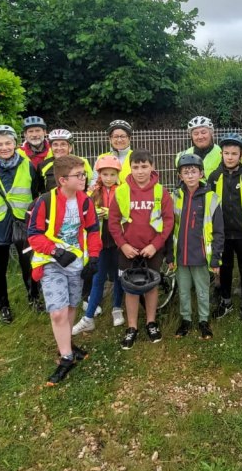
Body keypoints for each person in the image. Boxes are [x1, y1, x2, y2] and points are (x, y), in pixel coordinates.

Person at [27, 155, 102, 386]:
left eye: (84, 174)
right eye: (78, 175)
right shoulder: (45, 202)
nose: (84, 178)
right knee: (57, 313)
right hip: (52, 263)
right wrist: (56, 252)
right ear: (62, 180)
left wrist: (94, 258)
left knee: (70, 307)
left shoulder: (85, 202)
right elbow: (34, 235)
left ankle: (67, 345)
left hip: (76, 263)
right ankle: (66, 357)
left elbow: (93, 230)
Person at [108, 149, 175, 349]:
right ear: (130, 168)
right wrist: (123, 245)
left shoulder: (161, 192)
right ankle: (132, 327)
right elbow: (113, 222)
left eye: (144, 166)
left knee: (151, 285)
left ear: (152, 167)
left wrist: (156, 245)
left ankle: (151, 322)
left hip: (152, 248)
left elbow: (168, 221)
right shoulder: (121, 191)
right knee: (131, 287)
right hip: (128, 249)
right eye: (135, 167)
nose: (140, 171)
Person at [0, 124, 41, 323]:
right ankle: (3, 306)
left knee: (29, 264)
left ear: (15, 144)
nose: (4, 147)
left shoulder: (28, 166)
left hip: (23, 223)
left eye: (7, 143)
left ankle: (34, 298)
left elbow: (35, 192)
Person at [206, 134, 242, 321]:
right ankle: (226, 301)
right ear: (221, 154)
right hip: (222, 234)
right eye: (226, 153)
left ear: (241, 155)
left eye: (234, 154)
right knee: (225, 268)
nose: (230, 157)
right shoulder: (214, 177)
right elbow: (209, 207)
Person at [170, 153, 224, 340]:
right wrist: (169, 255)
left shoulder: (211, 198)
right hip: (180, 255)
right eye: (186, 172)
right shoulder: (174, 197)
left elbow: (218, 231)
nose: (190, 175)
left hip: (200, 255)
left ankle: (203, 320)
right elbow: (169, 227)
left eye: (194, 171)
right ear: (180, 176)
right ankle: (185, 320)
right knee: (183, 290)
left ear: (201, 174)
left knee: (202, 290)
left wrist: (216, 257)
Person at [72, 154, 127, 334]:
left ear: (118, 175)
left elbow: (129, 216)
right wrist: (95, 214)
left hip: (119, 243)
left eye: (112, 174)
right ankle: (88, 317)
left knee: (118, 277)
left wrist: (112, 214)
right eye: (105, 174)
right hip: (100, 244)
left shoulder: (124, 191)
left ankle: (117, 308)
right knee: (98, 278)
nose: (108, 178)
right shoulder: (92, 192)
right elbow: (83, 215)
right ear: (99, 175)